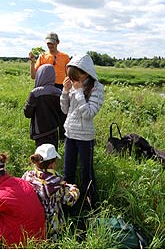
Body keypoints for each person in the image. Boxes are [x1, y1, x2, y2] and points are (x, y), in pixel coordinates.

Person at [60, 53, 104, 213]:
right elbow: (65, 110)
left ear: (85, 73)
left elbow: (89, 113)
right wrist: (65, 92)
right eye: (70, 78)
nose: (72, 80)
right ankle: (67, 201)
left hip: (85, 137)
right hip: (70, 134)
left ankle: (88, 202)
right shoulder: (73, 85)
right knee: (68, 170)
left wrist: (78, 93)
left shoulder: (97, 88)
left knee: (87, 171)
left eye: (75, 77)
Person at [22, 143, 80, 240]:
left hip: (32, 223)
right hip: (51, 226)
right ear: (52, 164)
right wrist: (74, 190)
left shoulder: (28, 175)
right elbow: (70, 200)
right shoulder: (55, 185)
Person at [29, 32, 70, 140]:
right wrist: (32, 63)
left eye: (52, 43)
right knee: (45, 114)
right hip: (45, 89)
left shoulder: (65, 57)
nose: (50, 45)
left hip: (60, 88)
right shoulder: (42, 57)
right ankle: (45, 135)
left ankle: (62, 137)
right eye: (48, 43)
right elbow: (34, 76)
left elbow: (70, 75)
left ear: (58, 42)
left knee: (63, 113)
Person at [23, 64, 61, 150]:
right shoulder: (59, 93)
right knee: (52, 154)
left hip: (39, 131)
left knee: (41, 156)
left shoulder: (35, 93)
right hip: (54, 130)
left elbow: (27, 113)